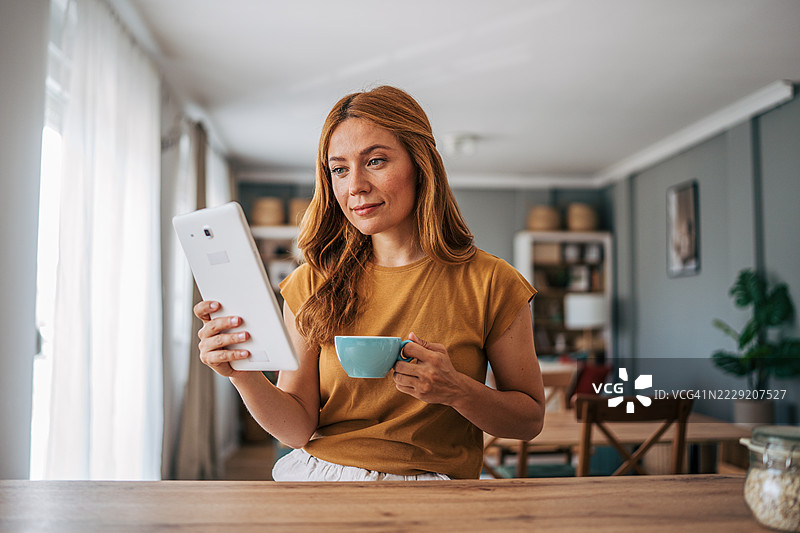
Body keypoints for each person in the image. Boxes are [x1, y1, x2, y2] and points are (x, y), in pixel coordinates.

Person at [194, 85, 545, 481]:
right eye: (339, 169)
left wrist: (457, 390)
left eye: (375, 161)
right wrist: (242, 374)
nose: (354, 185)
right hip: (322, 479)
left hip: (437, 495)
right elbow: (296, 429)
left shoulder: (493, 282)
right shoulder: (312, 282)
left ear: (420, 164)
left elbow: (528, 421)